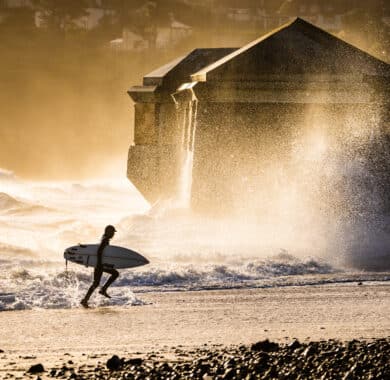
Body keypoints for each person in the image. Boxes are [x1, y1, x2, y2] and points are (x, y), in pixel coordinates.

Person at [81, 225, 119, 308]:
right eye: (112, 232)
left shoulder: (104, 238)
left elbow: (104, 253)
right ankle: (101, 290)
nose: (113, 234)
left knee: (96, 282)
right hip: (100, 264)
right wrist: (100, 264)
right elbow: (99, 252)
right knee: (115, 274)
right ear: (108, 232)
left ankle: (85, 300)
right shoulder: (105, 240)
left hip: (100, 264)